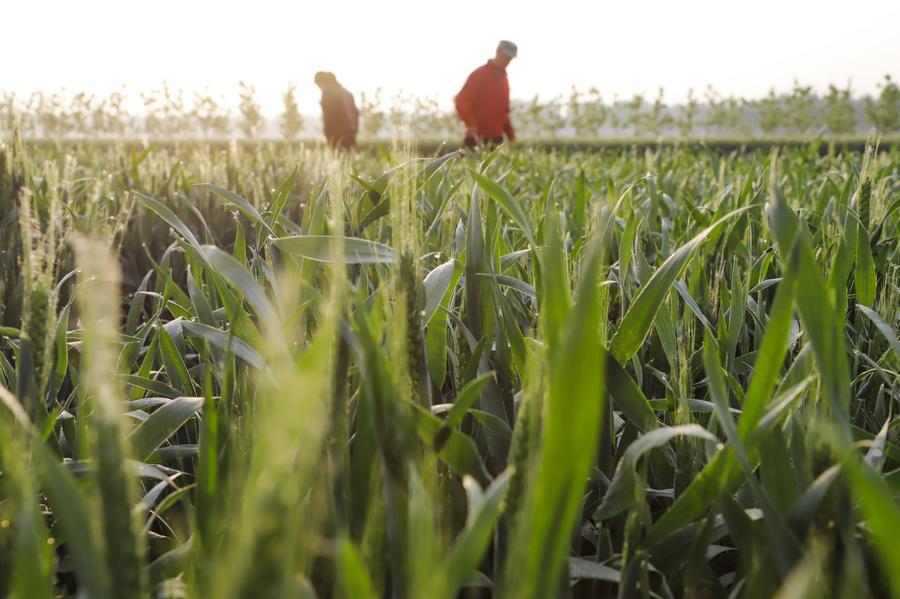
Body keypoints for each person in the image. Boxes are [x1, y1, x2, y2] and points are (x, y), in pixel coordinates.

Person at [454, 40, 517, 149]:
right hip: (475, 137)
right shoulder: (479, 74)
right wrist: (471, 124)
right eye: (505, 57)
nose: (507, 61)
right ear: (497, 52)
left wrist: (510, 135)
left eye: (510, 58)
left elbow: (504, 110)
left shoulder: (504, 80)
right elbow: (461, 100)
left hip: (496, 139)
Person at [314, 71, 359, 150]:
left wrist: (327, 134)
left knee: (338, 158)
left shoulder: (328, 92)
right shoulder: (347, 93)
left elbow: (328, 116)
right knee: (349, 158)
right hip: (351, 133)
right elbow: (356, 113)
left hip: (336, 134)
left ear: (322, 82)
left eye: (318, 85)